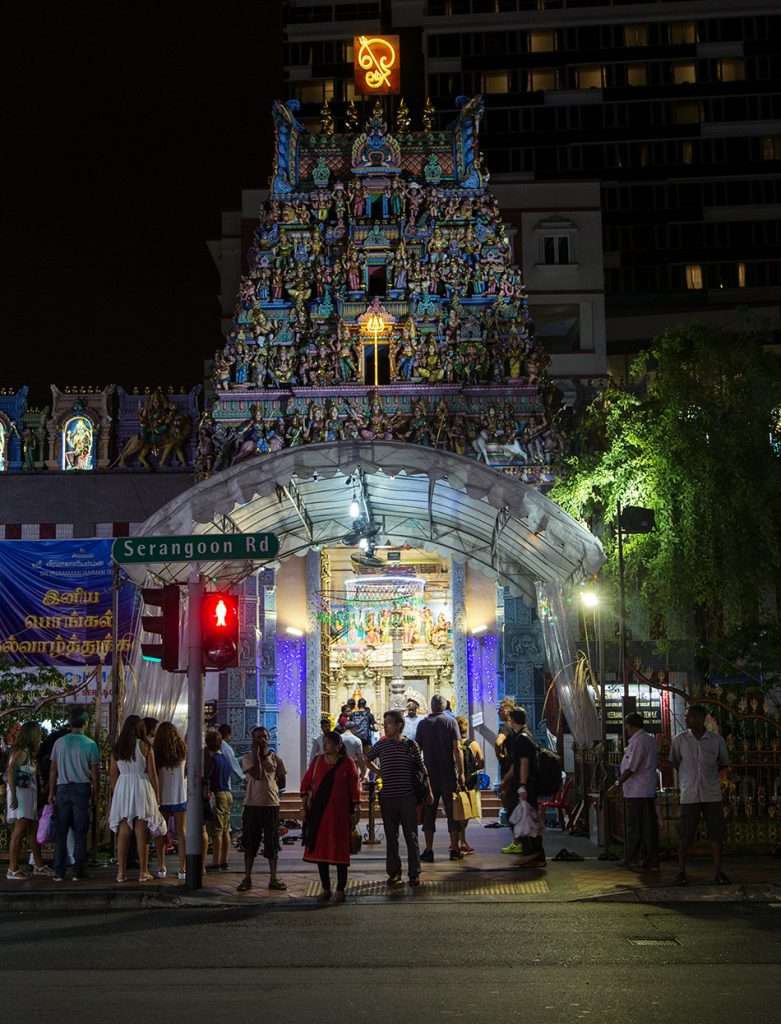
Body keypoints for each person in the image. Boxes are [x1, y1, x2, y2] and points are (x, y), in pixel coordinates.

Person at [366, 709, 429, 885]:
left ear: (399, 725)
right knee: (391, 837)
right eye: (385, 723)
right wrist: (378, 771)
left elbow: (422, 768)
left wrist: (428, 790)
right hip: (387, 797)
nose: (386, 726)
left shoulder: (410, 745)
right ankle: (394, 872)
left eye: (389, 723)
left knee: (411, 836)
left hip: (408, 797)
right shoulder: (381, 745)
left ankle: (414, 873)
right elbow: (366, 759)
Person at [671, 704, 730, 885]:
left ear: (700, 718)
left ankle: (718, 871)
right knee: (685, 834)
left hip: (711, 793)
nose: (686, 719)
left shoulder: (716, 741)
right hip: (689, 793)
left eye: (690, 716)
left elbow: (722, 763)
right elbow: (675, 762)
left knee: (716, 834)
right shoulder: (680, 740)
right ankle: (681, 872)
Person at [300, 730, 361, 903]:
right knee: (321, 849)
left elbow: (354, 787)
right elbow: (305, 784)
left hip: (340, 815)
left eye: (328, 742)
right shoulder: (317, 762)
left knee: (341, 849)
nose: (324, 744)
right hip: (320, 814)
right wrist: (304, 807)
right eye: (324, 741)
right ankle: (326, 888)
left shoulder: (348, 763)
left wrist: (357, 808)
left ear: (338, 745)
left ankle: (341, 889)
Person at [109, 715, 166, 883]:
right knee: (142, 831)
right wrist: (157, 796)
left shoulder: (117, 748)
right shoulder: (145, 746)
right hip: (142, 786)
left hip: (123, 786)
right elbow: (153, 774)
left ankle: (120, 872)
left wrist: (117, 793)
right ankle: (143, 872)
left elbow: (113, 774)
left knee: (124, 832)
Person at [48, 706, 100, 881]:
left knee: (61, 832)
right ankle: (78, 871)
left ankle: (59, 872)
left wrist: (51, 791)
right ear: (86, 722)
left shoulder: (59, 743)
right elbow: (94, 773)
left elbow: (53, 770)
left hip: (62, 788)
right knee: (80, 831)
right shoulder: (90, 744)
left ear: (71, 722)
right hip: (81, 789)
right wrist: (96, 793)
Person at [415, 693, 465, 862]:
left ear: (431, 706)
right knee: (452, 811)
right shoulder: (451, 722)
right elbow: (457, 749)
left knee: (429, 811)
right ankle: (455, 849)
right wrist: (462, 772)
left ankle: (428, 850)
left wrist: (419, 772)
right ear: (445, 706)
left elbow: (417, 750)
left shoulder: (423, 724)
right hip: (448, 773)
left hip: (429, 775)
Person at [237, 726, 287, 893]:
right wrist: (257, 754)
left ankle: (273, 878)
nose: (263, 740)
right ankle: (247, 877)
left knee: (272, 842)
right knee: (251, 842)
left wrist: (272, 786)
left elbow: (282, 780)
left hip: (271, 805)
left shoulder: (276, 759)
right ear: (253, 740)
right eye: (259, 737)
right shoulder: (248, 758)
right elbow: (257, 774)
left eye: (265, 736)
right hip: (253, 805)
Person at [610, 712, 659, 872]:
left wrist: (617, 784)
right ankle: (643, 859)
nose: (626, 730)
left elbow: (631, 767)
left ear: (630, 726)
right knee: (645, 826)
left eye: (627, 727)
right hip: (642, 789)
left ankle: (639, 859)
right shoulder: (648, 740)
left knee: (638, 827)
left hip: (639, 791)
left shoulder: (639, 742)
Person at [5, 722, 53, 879]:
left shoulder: (25, 752)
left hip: (27, 794)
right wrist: (13, 795)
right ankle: (12, 868)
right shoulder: (22, 752)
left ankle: (38, 863)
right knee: (20, 830)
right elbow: (10, 771)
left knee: (33, 828)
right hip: (21, 794)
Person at [500, 707, 546, 866]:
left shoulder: (523, 739)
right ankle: (533, 854)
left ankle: (533, 853)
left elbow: (524, 763)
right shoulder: (524, 736)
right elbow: (517, 763)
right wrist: (506, 780)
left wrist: (522, 786)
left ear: (513, 720)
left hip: (526, 785)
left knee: (525, 819)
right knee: (523, 818)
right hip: (524, 784)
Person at [153, 722, 187, 880]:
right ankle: (182, 868)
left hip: (162, 797)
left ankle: (162, 867)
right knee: (181, 833)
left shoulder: (156, 752)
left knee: (160, 832)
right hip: (180, 795)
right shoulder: (182, 750)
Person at [456, 715, 484, 855]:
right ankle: (463, 841)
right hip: (469, 782)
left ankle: (455, 841)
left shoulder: (453, 744)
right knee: (466, 813)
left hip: (455, 782)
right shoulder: (473, 744)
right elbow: (482, 762)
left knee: (455, 811)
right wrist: (471, 770)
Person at [205, 730, 232, 872]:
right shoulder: (224, 759)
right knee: (226, 829)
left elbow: (208, 777)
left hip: (218, 794)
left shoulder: (213, 760)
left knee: (217, 831)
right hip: (228, 793)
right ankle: (224, 860)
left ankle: (215, 861)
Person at [494, 698, 516, 824]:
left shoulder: (505, 727)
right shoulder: (519, 727)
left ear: (507, 711)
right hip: (519, 767)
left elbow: (498, 742)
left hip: (508, 768)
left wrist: (499, 756)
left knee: (508, 798)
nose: (498, 713)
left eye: (500, 710)